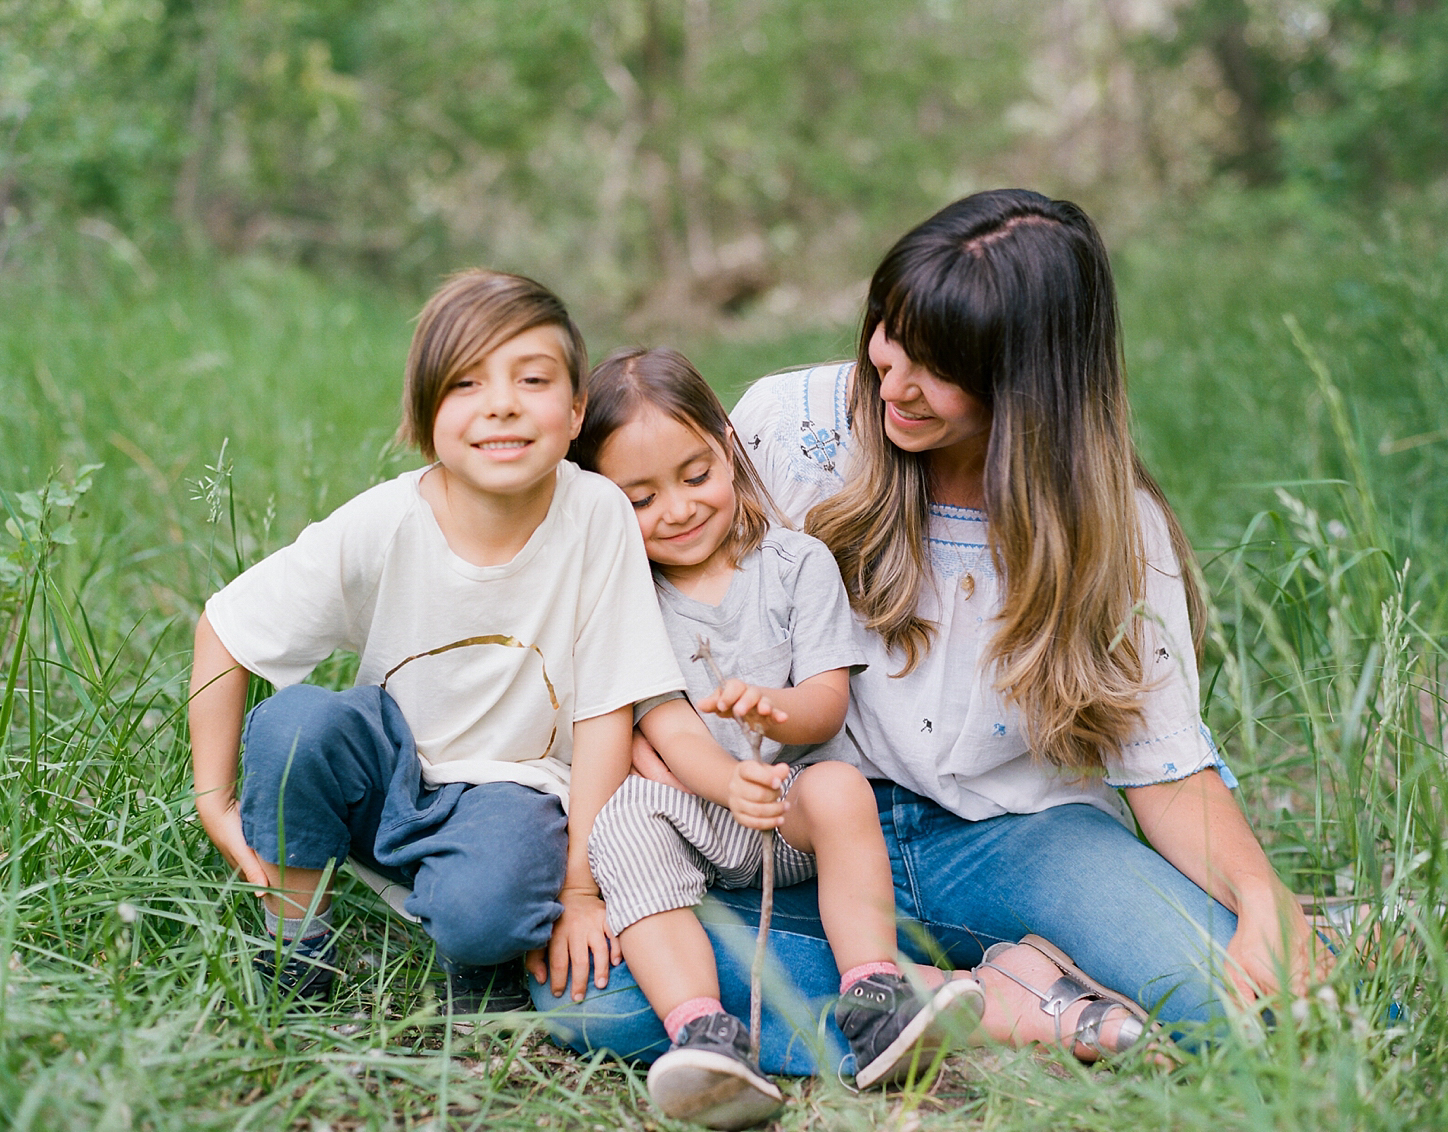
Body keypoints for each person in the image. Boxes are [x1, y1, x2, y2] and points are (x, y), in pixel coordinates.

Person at [537, 189, 1329, 1069]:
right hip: (806, 833)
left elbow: (1166, 764)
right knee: (596, 996)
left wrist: (1263, 898)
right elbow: (619, 602)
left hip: (1017, 840)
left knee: (1253, 1010)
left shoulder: (1115, 531)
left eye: (938, 366)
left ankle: (942, 996)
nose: (895, 380)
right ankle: (971, 998)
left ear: (1031, 387)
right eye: (889, 333)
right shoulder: (781, 430)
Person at [188, 271, 684, 1013]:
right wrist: (211, 798)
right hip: (389, 769)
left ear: (576, 409)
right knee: (295, 726)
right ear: (424, 418)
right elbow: (226, 628)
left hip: (515, 790)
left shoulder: (596, 514)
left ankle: (475, 941)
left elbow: (606, 707)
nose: (503, 403)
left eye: (533, 378)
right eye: (466, 383)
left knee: (486, 911)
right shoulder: (387, 521)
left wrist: (582, 887)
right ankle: (297, 947)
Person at [570, 348, 984, 1127]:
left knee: (837, 786)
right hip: (701, 810)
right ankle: (702, 1030)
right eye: (642, 498)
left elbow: (827, 704)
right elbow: (666, 722)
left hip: (791, 809)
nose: (680, 509)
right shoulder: (629, 597)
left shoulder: (796, 563)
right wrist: (724, 783)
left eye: (696, 476)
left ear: (728, 446)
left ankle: (874, 993)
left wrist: (773, 713)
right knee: (626, 818)